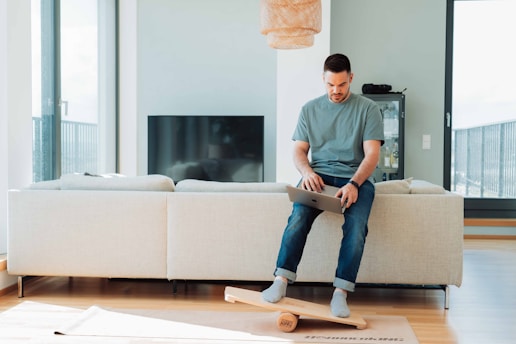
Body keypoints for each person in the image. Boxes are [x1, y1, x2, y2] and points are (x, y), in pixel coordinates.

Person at [262, 53, 384, 318]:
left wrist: (354, 183)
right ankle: (280, 281)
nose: (336, 91)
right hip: (319, 177)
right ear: (323, 79)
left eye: (341, 84)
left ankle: (340, 293)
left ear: (351, 78)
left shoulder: (368, 109)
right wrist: (306, 172)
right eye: (331, 85)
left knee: (356, 227)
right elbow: (299, 151)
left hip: (356, 179)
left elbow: (372, 154)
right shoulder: (309, 109)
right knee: (297, 218)